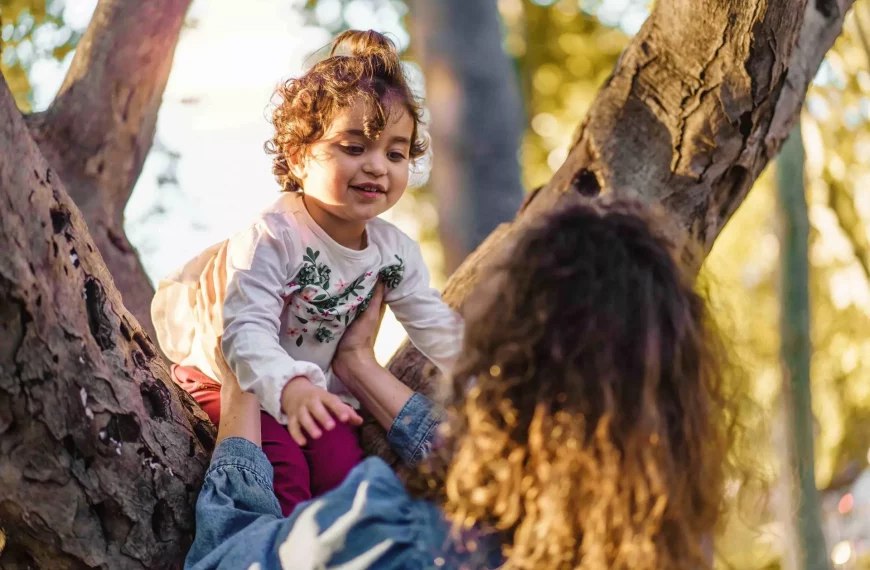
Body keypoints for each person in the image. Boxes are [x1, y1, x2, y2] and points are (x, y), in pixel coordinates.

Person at [185, 199, 736, 570]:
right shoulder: (661, 549)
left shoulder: (393, 539)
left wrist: (241, 391)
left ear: (502, 367)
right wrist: (359, 367)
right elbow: (508, 468)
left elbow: (223, 561)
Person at [150, 30, 462, 515]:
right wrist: (290, 388)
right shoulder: (274, 237)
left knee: (345, 469)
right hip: (234, 380)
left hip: (310, 389)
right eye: (354, 148)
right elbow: (245, 330)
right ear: (299, 156)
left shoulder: (392, 251)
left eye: (395, 153)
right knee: (285, 473)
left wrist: (489, 371)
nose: (378, 167)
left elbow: (433, 322)